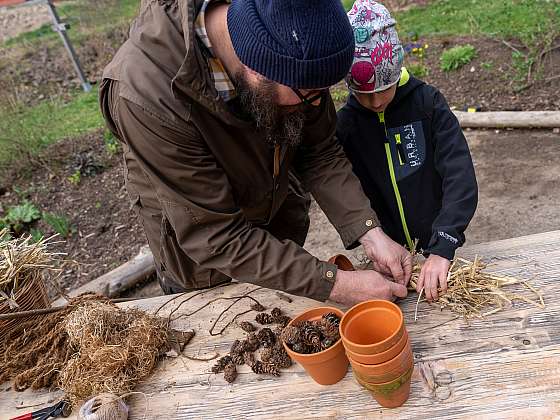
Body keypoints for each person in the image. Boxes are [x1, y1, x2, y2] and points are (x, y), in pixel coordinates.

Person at [99, 0, 412, 305]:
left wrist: (370, 233)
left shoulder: (292, 60)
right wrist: (337, 284)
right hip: (203, 260)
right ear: (256, 69)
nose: (318, 103)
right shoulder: (145, 96)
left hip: (272, 221)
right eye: (311, 95)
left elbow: (319, 150)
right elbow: (218, 236)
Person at [337, 0, 478, 302]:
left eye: (382, 90)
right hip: (388, 254)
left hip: (437, 245)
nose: (374, 102)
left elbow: (460, 175)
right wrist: (374, 239)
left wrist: (443, 246)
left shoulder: (427, 104)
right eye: (364, 95)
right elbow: (341, 189)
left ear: (397, 66)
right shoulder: (346, 124)